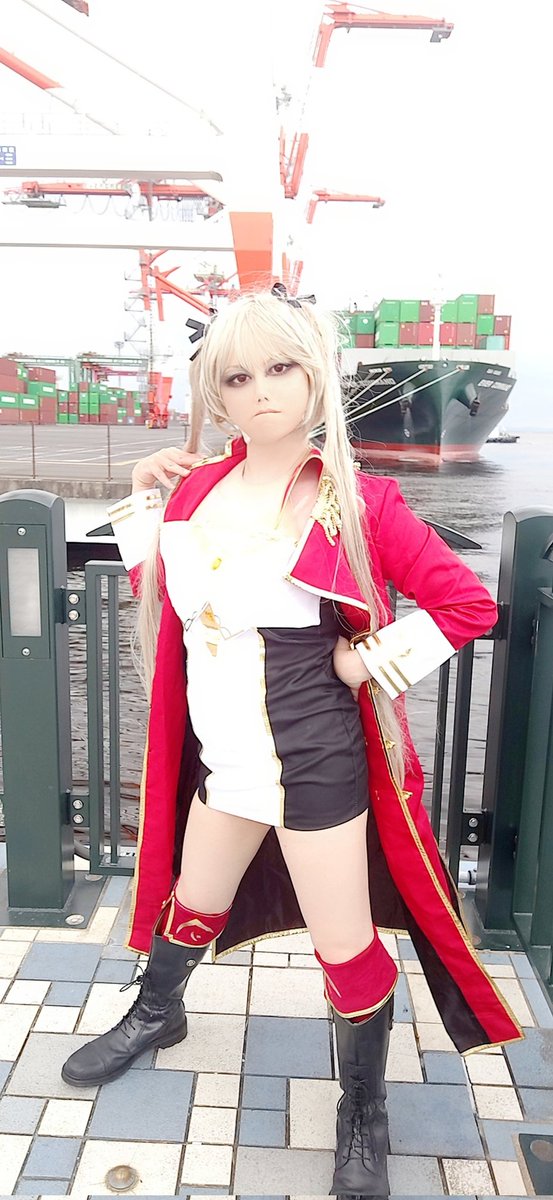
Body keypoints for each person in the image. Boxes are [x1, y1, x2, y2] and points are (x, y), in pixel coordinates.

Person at [61, 289, 522, 1198]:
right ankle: (157, 1014)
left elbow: (466, 604)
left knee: (344, 948)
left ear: (315, 377)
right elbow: (170, 595)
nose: (261, 391)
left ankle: (363, 1109)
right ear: (216, 393)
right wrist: (144, 494)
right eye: (237, 377)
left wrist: (365, 663)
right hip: (223, 761)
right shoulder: (196, 488)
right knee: (192, 900)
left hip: (314, 764)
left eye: (280, 368)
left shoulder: (358, 499)